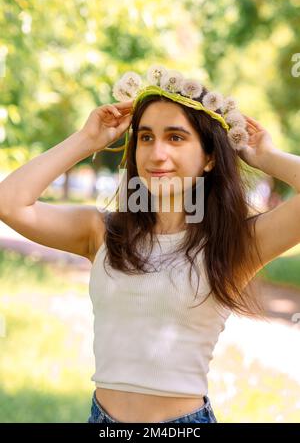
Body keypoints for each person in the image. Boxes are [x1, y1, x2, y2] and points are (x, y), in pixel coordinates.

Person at [1, 65, 300, 424]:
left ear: (208, 157)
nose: (156, 154)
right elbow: (10, 202)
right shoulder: (102, 232)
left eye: (175, 137)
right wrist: (86, 140)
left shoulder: (234, 244)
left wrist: (266, 157)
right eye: (145, 137)